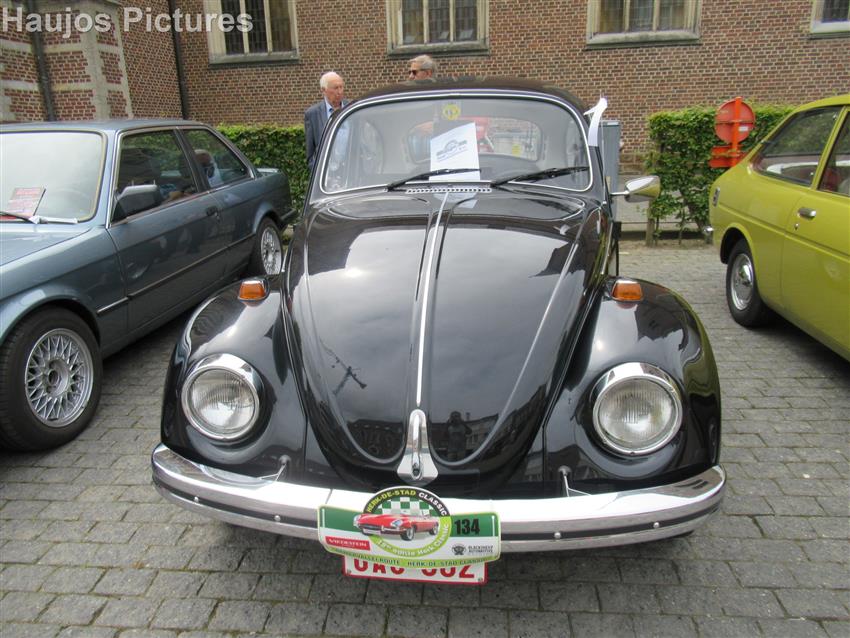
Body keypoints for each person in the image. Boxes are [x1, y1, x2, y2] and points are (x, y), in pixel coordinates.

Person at [304, 71, 348, 170]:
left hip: (350, 171)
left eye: (341, 87)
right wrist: (318, 171)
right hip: (326, 174)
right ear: (323, 90)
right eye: (335, 88)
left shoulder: (351, 108)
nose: (340, 92)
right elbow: (310, 153)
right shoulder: (312, 114)